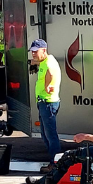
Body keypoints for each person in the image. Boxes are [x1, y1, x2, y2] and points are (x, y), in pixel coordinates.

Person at [30, 39, 62, 170]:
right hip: (44, 102)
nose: (33, 54)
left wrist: (48, 85)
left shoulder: (48, 63)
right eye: (32, 51)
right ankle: (54, 161)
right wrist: (33, 62)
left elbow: (51, 72)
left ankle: (56, 164)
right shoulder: (45, 60)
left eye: (35, 52)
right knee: (45, 134)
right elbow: (40, 63)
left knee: (50, 135)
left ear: (44, 50)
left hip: (48, 103)